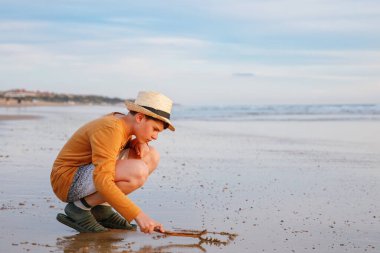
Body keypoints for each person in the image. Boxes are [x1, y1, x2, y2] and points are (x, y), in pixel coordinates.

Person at [50, 91, 175, 233]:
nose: (155, 136)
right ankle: (78, 209)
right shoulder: (111, 128)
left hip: (84, 172)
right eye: (155, 129)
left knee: (151, 155)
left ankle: (101, 210)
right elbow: (102, 180)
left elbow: (111, 149)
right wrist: (139, 216)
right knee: (138, 171)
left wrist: (137, 142)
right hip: (67, 181)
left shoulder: (123, 123)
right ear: (140, 117)